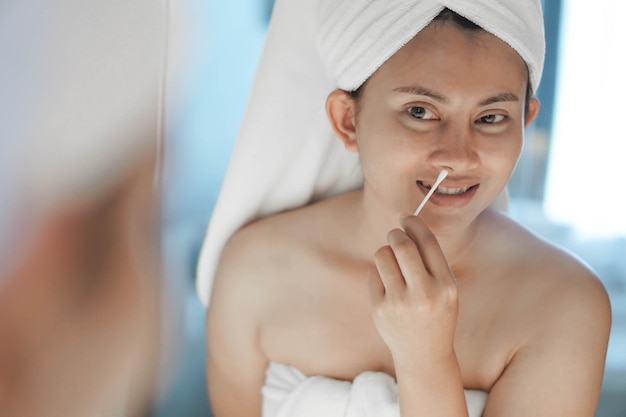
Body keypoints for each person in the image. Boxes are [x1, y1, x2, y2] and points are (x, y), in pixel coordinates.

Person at [200, 1, 612, 416]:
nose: (458, 157)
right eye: (420, 112)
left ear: (525, 122)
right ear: (347, 120)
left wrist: (426, 361)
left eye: (490, 118)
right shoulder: (253, 272)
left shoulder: (565, 305)